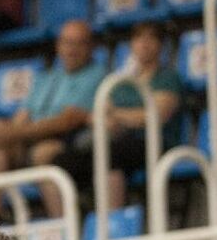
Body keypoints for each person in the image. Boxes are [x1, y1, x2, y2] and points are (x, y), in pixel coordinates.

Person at [0, 20, 106, 219]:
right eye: (67, 43)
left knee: (43, 154)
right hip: (29, 140)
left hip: (68, 142)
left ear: (91, 47)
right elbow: (22, 116)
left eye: (79, 43)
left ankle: (64, 227)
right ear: (58, 46)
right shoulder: (45, 78)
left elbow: (67, 121)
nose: (71, 50)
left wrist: (7, 132)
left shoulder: (96, 75)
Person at [52, 21, 182, 209]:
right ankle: (75, 226)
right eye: (139, 38)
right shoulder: (121, 81)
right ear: (131, 45)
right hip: (118, 139)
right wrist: (113, 118)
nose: (144, 44)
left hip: (154, 142)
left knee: (110, 155)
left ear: (161, 45)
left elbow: (154, 116)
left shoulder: (167, 78)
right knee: (62, 161)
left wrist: (117, 115)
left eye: (151, 38)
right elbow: (102, 114)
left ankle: (113, 222)